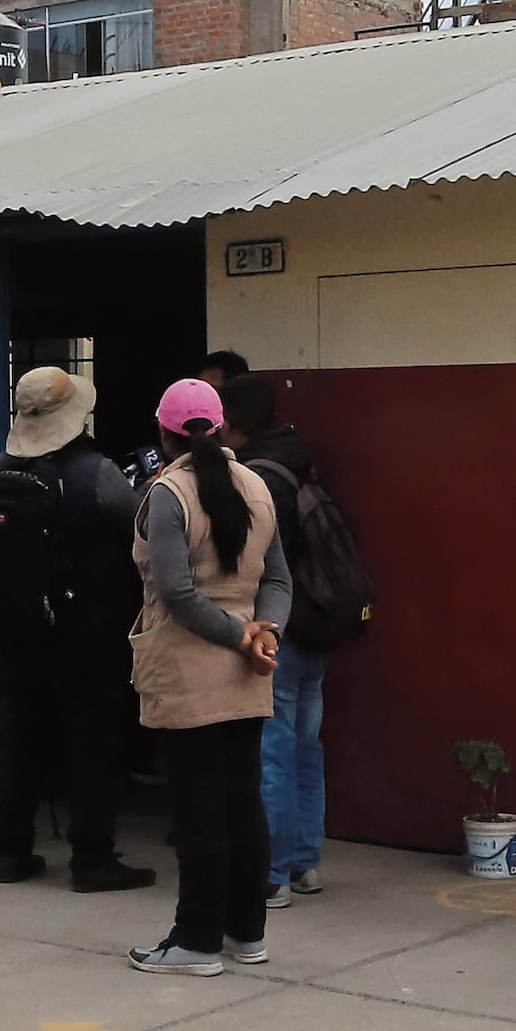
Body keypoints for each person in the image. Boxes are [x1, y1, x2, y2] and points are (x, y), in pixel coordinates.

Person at [126, 376, 286, 978]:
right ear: (219, 428)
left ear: (164, 434)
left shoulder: (167, 494)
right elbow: (278, 577)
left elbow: (176, 591)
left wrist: (236, 635)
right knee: (242, 800)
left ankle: (195, 938)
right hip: (249, 667)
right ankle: (246, 931)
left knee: (197, 807)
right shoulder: (257, 485)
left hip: (189, 663)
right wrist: (263, 631)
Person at [0, 365, 148, 895]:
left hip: (17, 628)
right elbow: (140, 531)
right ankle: (92, 859)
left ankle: (12, 851)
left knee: (18, 736)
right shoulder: (97, 473)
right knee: (92, 741)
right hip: (88, 631)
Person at [227, 374, 368, 901]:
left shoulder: (257, 478)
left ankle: (273, 871)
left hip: (278, 626)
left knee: (273, 751)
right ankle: (306, 862)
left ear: (232, 421)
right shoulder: (298, 459)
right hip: (319, 623)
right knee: (305, 746)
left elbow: (259, 561)